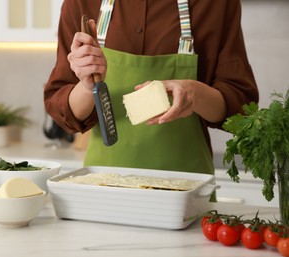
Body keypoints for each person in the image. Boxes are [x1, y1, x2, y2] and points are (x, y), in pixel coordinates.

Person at [44, 0, 258, 176]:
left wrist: (193, 94)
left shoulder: (216, 4)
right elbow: (63, 110)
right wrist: (86, 86)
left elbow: (241, 106)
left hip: (186, 192)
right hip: (103, 186)